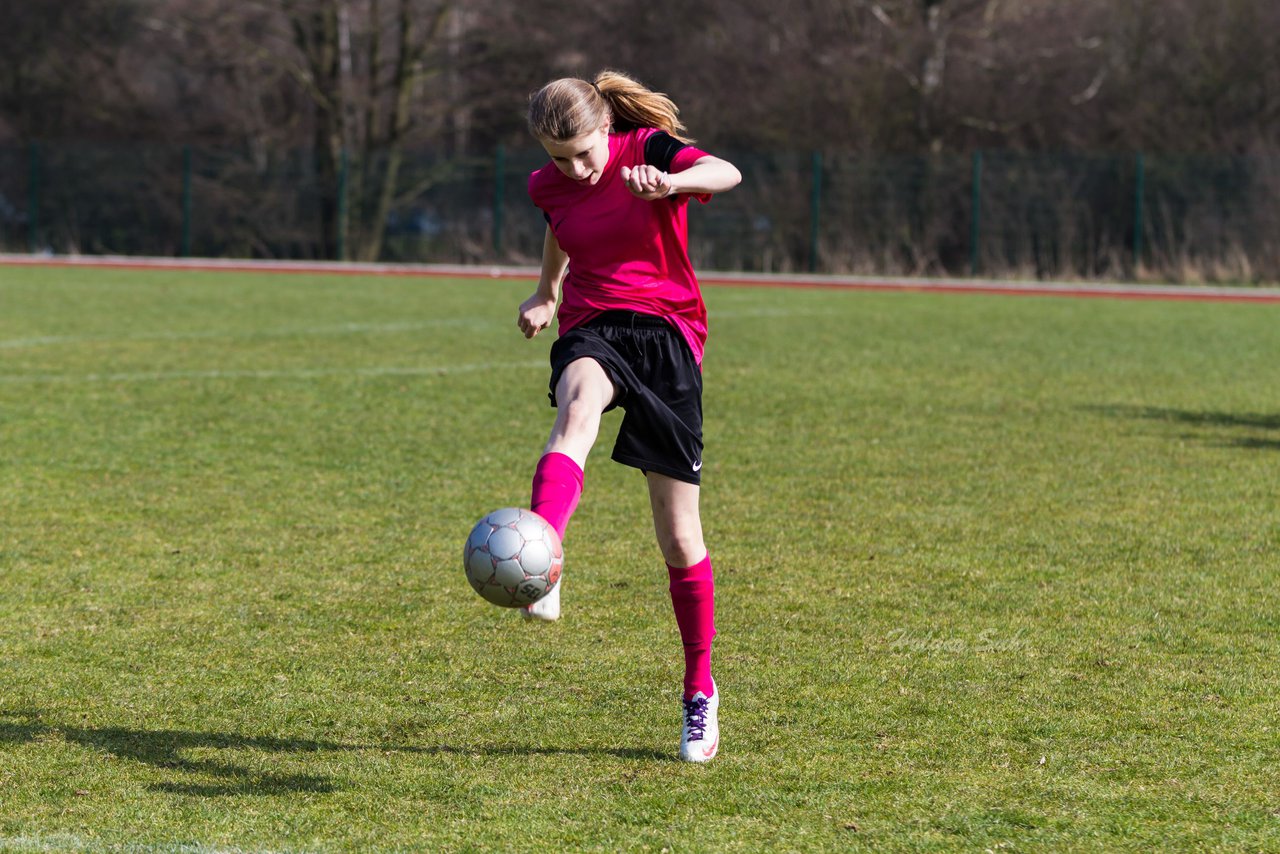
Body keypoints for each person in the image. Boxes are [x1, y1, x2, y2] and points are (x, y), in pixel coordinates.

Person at [516, 70, 741, 763]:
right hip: (594, 325)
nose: (577, 170)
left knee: (679, 539)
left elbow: (726, 172)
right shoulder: (547, 185)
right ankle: (544, 558)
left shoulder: (649, 148)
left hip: (669, 337)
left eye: (585, 152)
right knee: (577, 408)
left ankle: (699, 690)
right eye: (561, 159)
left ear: (605, 131)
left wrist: (670, 184)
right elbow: (562, 229)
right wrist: (547, 292)